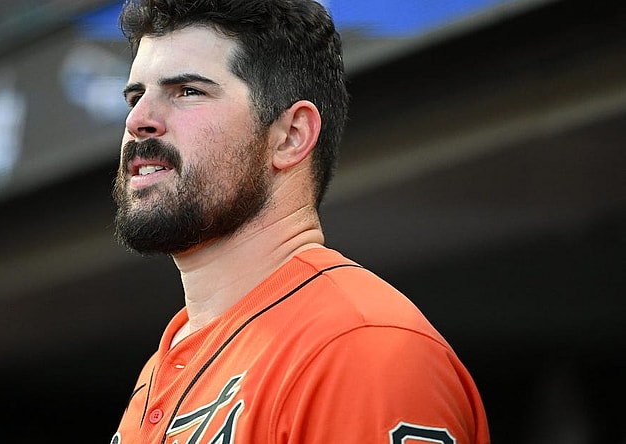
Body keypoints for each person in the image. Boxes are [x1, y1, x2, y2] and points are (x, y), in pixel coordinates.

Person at [110, 0, 490, 443]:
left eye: (188, 91)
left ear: (291, 136)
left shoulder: (356, 347)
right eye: (136, 97)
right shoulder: (160, 368)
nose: (138, 121)